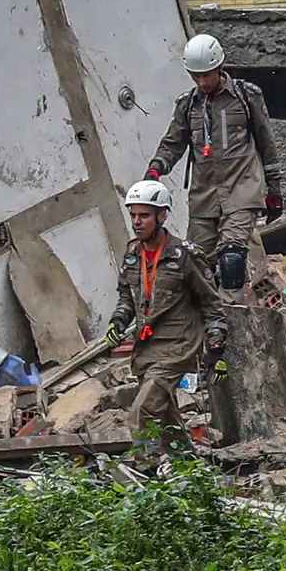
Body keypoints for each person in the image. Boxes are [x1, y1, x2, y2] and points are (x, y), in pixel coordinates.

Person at [146, 34, 282, 297]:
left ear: (219, 68)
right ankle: (208, 325)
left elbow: (267, 144)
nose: (202, 82)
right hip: (204, 196)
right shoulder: (188, 105)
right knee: (197, 265)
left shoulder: (246, 96)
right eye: (195, 76)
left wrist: (274, 190)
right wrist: (155, 170)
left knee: (232, 258)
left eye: (206, 75)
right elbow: (173, 143)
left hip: (242, 189)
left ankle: (232, 321)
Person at [104, 179, 228, 449]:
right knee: (166, 416)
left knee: (143, 412)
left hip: (177, 347)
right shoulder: (132, 253)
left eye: (144, 215)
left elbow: (212, 304)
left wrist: (217, 350)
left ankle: (146, 475)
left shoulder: (186, 255)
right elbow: (128, 297)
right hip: (146, 347)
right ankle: (187, 466)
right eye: (133, 215)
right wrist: (117, 322)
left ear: (162, 216)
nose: (137, 222)